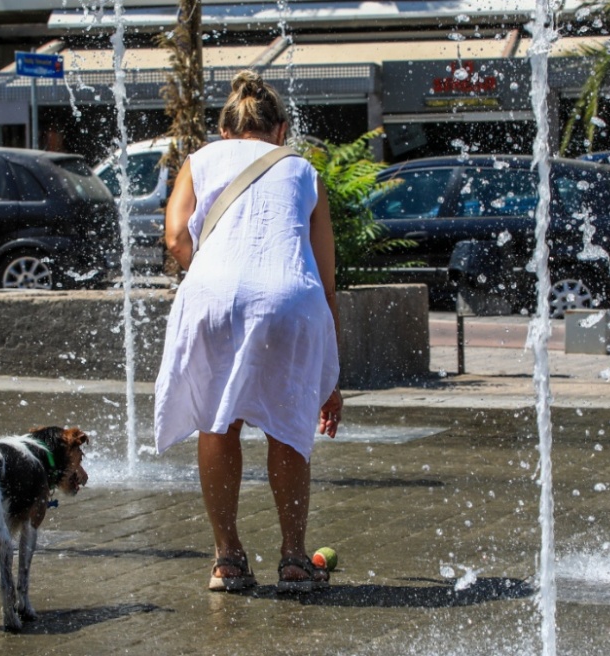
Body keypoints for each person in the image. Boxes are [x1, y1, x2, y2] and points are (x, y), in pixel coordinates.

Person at [154, 70, 342, 593]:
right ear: (282, 130)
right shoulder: (303, 171)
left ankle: (229, 560)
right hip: (291, 301)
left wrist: (215, 273)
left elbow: (174, 238)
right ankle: (294, 560)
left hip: (211, 297)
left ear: (225, 127)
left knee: (218, 422)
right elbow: (326, 283)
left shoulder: (199, 160)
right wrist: (332, 377)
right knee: (288, 426)